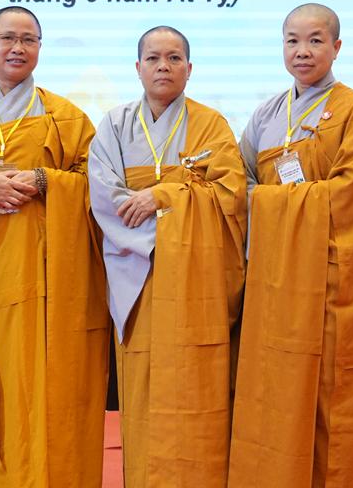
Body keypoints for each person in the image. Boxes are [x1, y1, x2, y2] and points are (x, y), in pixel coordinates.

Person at [229, 4, 353, 488]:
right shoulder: (267, 115)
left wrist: (271, 201)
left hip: (334, 279)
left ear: (336, 48)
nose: (303, 51)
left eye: (315, 40)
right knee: (277, 385)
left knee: (332, 391)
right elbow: (240, 183)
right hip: (276, 279)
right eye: (292, 41)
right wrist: (266, 201)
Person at [0, 6, 110, 487]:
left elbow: (98, 186)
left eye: (28, 40)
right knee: (0, 389)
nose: (17, 48)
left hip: (52, 284)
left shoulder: (65, 117)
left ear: (39, 49)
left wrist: (46, 181)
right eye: (7, 38)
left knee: (55, 390)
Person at [88, 26, 246, 487]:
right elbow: (104, 196)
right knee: (142, 388)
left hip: (196, 281)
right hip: (135, 275)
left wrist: (163, 197)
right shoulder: (115, 125)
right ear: (138, 67)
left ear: (189, 69)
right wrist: (163, 228)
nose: (164, 66)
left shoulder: (212, 125)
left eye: (174, 58)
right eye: (154, 58)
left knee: (197, 386)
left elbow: (231, 194)